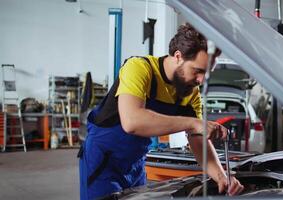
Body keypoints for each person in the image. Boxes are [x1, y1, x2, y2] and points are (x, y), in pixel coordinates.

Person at [78, 23, 244, 200]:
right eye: (197, 71)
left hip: (135, 165)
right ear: (178, 57)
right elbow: (132, 122)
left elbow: (198, 141)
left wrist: (221, 176)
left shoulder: (190, 94)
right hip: (103, 161)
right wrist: (193, 123)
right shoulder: (139, 68)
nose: (201, 80)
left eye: (206, 73)